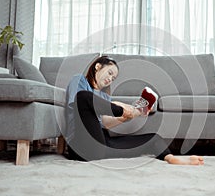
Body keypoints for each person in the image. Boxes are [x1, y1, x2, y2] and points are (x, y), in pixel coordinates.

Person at [65, 55, 204, 165]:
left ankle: (172, 159)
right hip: (79, 146)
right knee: (83, 96)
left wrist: (124, 117)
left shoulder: (104, 97)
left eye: (113, 78)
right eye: (109, 73)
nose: (110, 79)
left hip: (99, 148)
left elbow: (105, 123)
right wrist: (120, 107)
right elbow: (79, 103)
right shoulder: (79, 81)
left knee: (154, 138)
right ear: (97, 66)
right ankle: (136, 110)